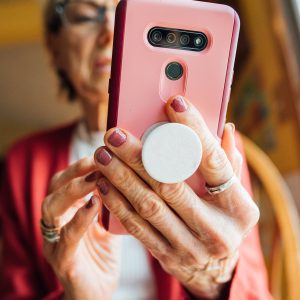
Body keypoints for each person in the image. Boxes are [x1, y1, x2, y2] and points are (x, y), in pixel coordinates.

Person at [0, 0, 272, 299]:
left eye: (125, 11)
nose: (110, 30)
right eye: (87, 15)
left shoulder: (215, 153)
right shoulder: (23, 162)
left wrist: (213, 279)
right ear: (55, 47)